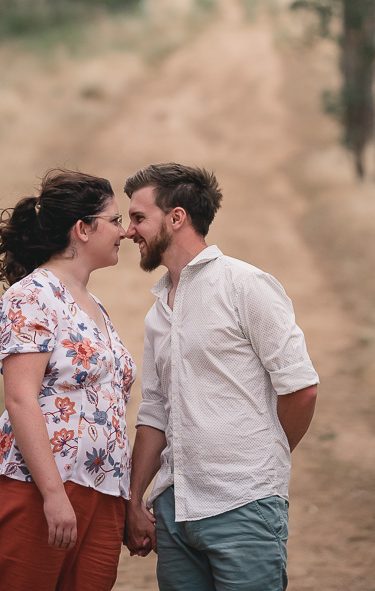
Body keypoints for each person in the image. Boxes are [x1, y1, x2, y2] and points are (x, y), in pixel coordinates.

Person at [122, 162, 319, 591]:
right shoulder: (159, 313)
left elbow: (301, 388)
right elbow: (155, 412)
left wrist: (264, 459)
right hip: (174, 513)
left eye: (139, 218)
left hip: (243, 504)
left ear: (177, 218)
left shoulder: (245, 285)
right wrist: (135, 500)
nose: (128, 230)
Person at [0, 169, 136, 591]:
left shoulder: (95, 305)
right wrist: (53, 495)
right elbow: (20, 398)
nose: (125, 232)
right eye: (114, 220)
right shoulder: (32, 294)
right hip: (37, 490)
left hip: (102, 492)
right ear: (82, 228)